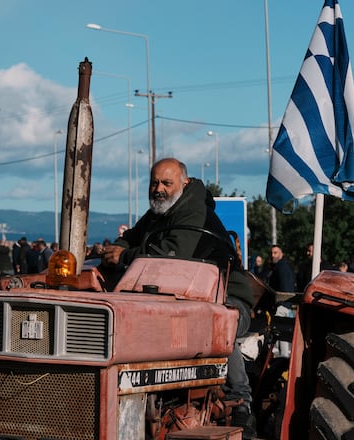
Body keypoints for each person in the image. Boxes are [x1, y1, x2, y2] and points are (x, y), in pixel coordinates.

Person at [100, 158, 256, 438]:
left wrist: (123, 256)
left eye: (166, 183)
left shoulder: (193, 210)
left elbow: (173, 252)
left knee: (220, 321)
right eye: (154, 183)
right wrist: (116, 250)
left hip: (225, 296)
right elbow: (131, 237)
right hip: (180, 298)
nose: (159, 189)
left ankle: (241, 401)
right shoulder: (158, 213)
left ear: (183, 184)